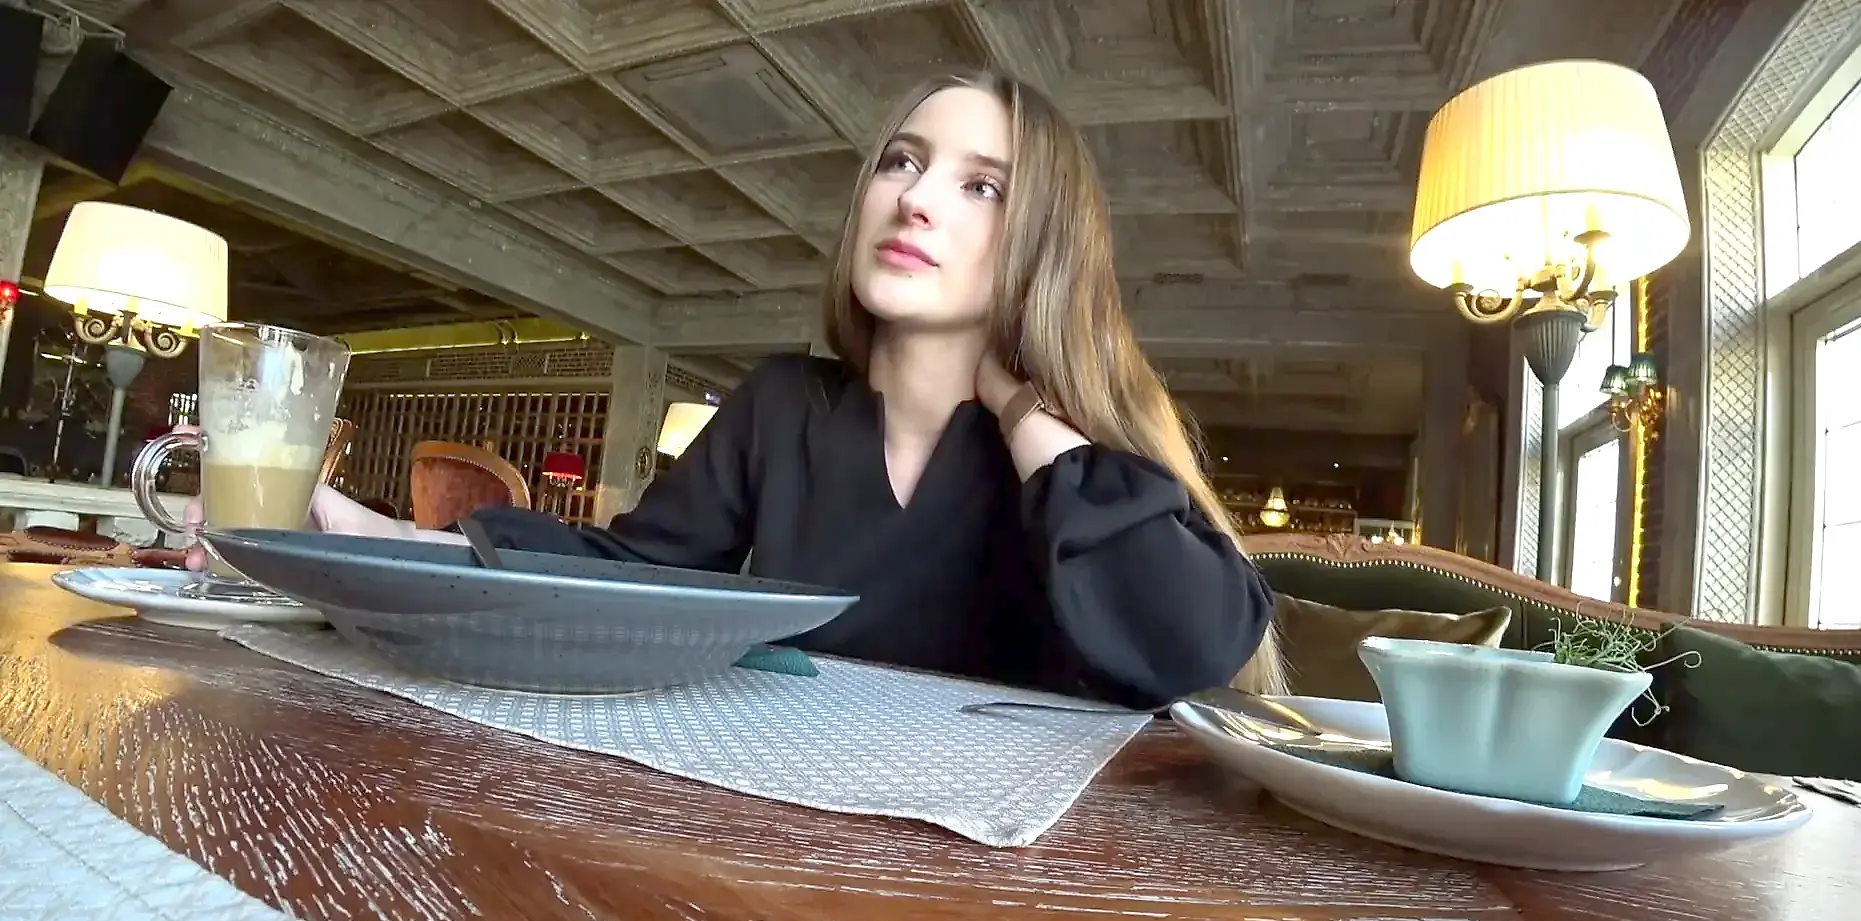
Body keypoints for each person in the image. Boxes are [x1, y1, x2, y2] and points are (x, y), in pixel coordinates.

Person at [189, 70, 1284, 709]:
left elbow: (1195, 651)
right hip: (790, 832)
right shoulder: (783, 406)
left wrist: (1027, 412)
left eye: (982, 186)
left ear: (1045, 242)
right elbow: (630, 572)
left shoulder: (1079, 462)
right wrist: (369, 536)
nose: (916, 200)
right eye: (902, 162)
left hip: (1020, 881)